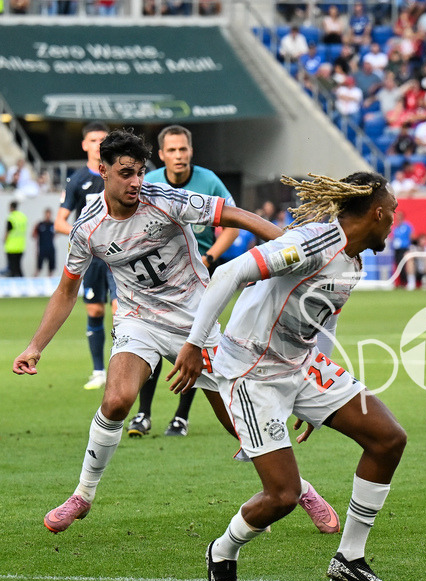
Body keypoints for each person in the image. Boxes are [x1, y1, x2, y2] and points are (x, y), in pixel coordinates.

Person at [11, 129, 337, 538]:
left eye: (140, 172)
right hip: (139, 321)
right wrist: (35, 346)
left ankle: (301, 490)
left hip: (196, 321)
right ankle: (82, 495)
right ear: (103, 170)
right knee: (116, 401)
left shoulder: (164, 200)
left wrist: (291, 245)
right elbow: (66, 289)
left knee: (238, 425)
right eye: (125, 173)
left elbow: (231, 214)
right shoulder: (88, 228)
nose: (135, 182)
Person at [169, 172, 405, 581]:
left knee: (388, 439)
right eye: (393, 214)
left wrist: (318, 401)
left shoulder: (353, 260)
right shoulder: (313, 243)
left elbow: (321, 323)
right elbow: (230, 273)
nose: (394, 222)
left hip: (302, 366)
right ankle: (222, 552)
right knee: (282, 495)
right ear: (377, 213)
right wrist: (192, 344)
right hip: (252, 374)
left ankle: (349, 559)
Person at [127, 125, 238, 439]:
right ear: (161, 155)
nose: (178, 155)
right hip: (159, 280)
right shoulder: (150, 184)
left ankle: (180, 418)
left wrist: (211, 257)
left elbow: (232, 224)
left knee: (193, 345)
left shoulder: (209, 181)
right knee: (152, 340)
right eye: (172, 150)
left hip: (198, 279)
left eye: (183, 149)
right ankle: (143, 414)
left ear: (191, 151)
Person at [56, 121, 115, 390]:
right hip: (91, 258)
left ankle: (120, 371)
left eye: (103, 139)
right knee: (95, 309)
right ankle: (98, 371)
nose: (98, 144)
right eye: (93, 140)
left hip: (118, 255)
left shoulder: (118, 174)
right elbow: (60, 222)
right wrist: (85, 236)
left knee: (120, 311)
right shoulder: (78, 180)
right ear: (84, 144)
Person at [4, 200, 27, 277]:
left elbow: (7, 232)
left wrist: (4, 240)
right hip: (20, 246)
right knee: (18, 267)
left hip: (11, 247)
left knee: (12, 269)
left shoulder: (11, 218)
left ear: (11, 208)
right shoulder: (22, 217)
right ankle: (23, 283)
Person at [390, 210, 413, 286]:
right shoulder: (395, 228)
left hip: (404, 248)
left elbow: (412, 236)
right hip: (397, 249)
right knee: (398, 264)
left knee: (404, 265)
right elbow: (393, 237)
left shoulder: (407, 226)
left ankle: (406, 282)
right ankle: (401, 282)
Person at [33, 208, 56, 277]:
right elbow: (34, 235)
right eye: (47, 214)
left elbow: (55, 234)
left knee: (51, 268)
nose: (48, 216)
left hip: (50, 248)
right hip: (42, 248)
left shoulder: (53, 224)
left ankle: (50, 280)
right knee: (38, 267)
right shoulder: (40, 224)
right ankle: (34, 279)